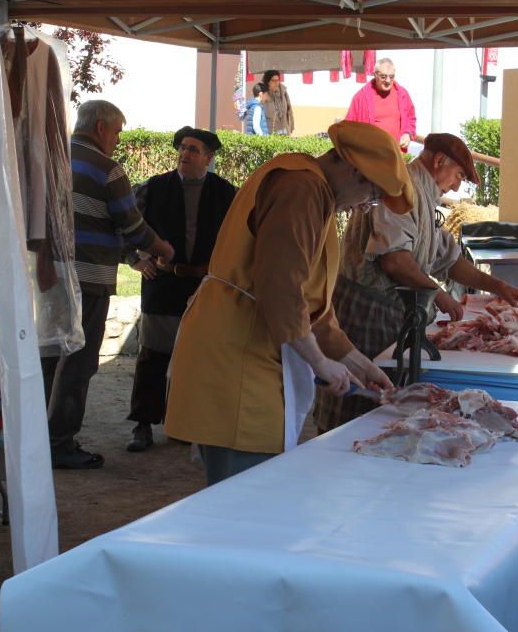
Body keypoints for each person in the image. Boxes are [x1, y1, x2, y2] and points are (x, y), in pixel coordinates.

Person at [164, 121, 416, 486]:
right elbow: (281, 287)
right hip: (238, 352)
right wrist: (320, 363)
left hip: (248, 346)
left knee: (253, 483)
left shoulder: (314, 187)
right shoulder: (302, 187)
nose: (364, 207)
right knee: (245, 493)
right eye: (371, 195)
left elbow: (312, 301)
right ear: (352, 170)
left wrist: (359, 364)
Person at [313, 133, 518, 432]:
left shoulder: (424, 194)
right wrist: (439, 295)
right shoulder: (400, 184)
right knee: (356, 406)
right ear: (439, 160)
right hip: (366, 309)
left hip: (392, 310)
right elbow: (394, 259)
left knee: (383, 403)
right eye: (458, 174)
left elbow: (449, 260)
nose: (458, 185)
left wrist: (499, 287)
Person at [43, 100, 175, 469]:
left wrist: (131, 257)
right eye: (117, 132)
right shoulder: (107, 169)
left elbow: (94, 224)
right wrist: (162, 249)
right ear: (101, 127)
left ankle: (38, 439)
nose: (117, 139)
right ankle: (60, 444)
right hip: (88, 281)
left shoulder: (52, 157)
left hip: (47, 277)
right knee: (79, 363)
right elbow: (130, 225)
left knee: (49, 356)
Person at [124, 127, 237, 451]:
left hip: (205, 287)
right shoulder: (153, 188)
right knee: (153, 354)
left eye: (193, 149)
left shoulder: (226, 193)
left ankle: (185, 424)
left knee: (198, 358)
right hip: (162, 282)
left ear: (209, 157)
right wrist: (135, 260)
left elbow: (241, 237)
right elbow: (125, 224)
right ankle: (142, 425)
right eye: (183, 148)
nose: (185, 154)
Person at [344, 57, 417, 149]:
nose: (387, 80)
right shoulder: (361, 97)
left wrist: (408, 134)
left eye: (391, 77)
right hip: (370, 153)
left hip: (394, 153)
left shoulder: (402, 94)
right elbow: (348, 127)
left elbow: (411, 118)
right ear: (375, 75)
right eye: (383, 76)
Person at [261, 69, 294, 136]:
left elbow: (289, 109)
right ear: (268, 82)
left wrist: (291, 125)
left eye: (278, 80)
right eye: (273, 80)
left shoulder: (283, 92)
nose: (276, 83)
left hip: (284, 131)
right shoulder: (263, 95)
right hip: (271, 133)